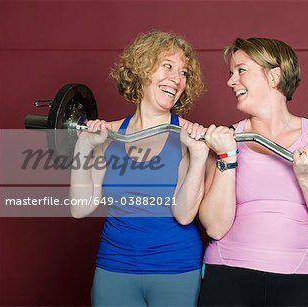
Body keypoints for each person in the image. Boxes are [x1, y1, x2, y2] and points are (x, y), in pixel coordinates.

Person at [198, 37, 308, 306]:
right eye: (231, 73)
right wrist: (226, 157)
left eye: (241, 70)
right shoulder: (226, 138)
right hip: (227, 275)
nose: (231, 81)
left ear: (274, 76)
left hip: (303, 281)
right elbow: (215, 227)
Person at [69, 31, 208, 306]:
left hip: (175, 268)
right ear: (142, 67)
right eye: (167, 66)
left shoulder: (189, 137)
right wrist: (83, 147)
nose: (177, 79)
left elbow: (184, 215)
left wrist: (200, 156)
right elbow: (80, 208)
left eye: (183, 73)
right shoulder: (108, 135)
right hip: (114, 267)